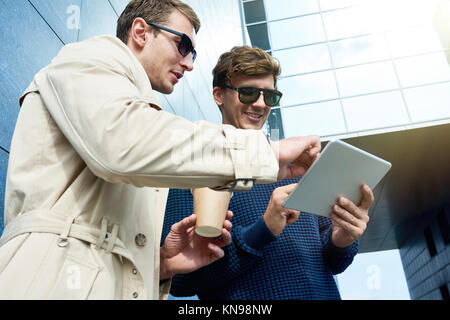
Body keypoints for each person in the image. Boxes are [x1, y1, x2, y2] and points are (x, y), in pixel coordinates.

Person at [0, 0, 321, 300]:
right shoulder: (88, 59)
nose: (190, 63)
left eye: (194, 53)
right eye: (183, 45)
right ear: (140, 32)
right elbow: (122, 145)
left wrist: (162, 263)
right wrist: (270, 151)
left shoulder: (143, 121)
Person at [162, 46, 375, 300]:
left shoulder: (298, 166)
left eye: (270, 96)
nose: (261, 104)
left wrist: (343, 238)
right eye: (249, 92)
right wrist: (264, 230)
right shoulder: (191, 166)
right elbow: (180, 281)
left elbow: (334, 261)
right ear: (219, 95)